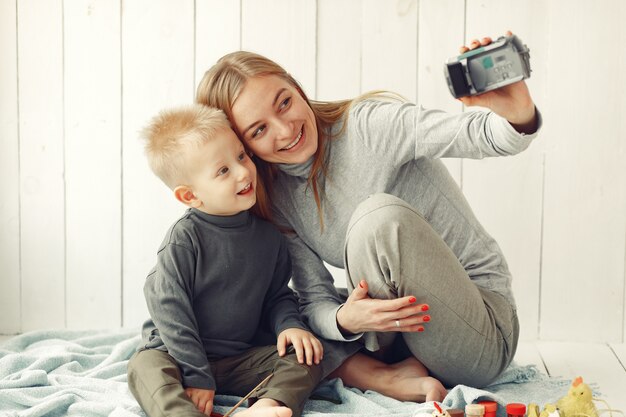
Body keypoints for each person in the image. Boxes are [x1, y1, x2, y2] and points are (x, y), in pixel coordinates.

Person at [194, 32, 541, 393]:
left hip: (482, 331)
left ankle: (373, 372)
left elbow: (483, 134)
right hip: (399, 336)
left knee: (376, 216)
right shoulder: (277, 197)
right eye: (259, 129)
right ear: (243, 146)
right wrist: (345, 319)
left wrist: (516, 112)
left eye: (284, 103)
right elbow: (316, 298)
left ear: (296, 88)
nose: (285, 130)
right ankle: (390, 374)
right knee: (273, 316)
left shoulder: (368, 126)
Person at [127, 104, 324, 417]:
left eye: (241, 156)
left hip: (235, 360)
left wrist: (289, 326)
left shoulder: (269, 238)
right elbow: (168, 308)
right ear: (190, 196)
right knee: (144, 368)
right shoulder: (185, 239)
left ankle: (266, 407)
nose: (244, 171)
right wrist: (196, 375)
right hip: (176, 356)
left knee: (306, 356)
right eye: (223, 171)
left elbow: (277, 296)